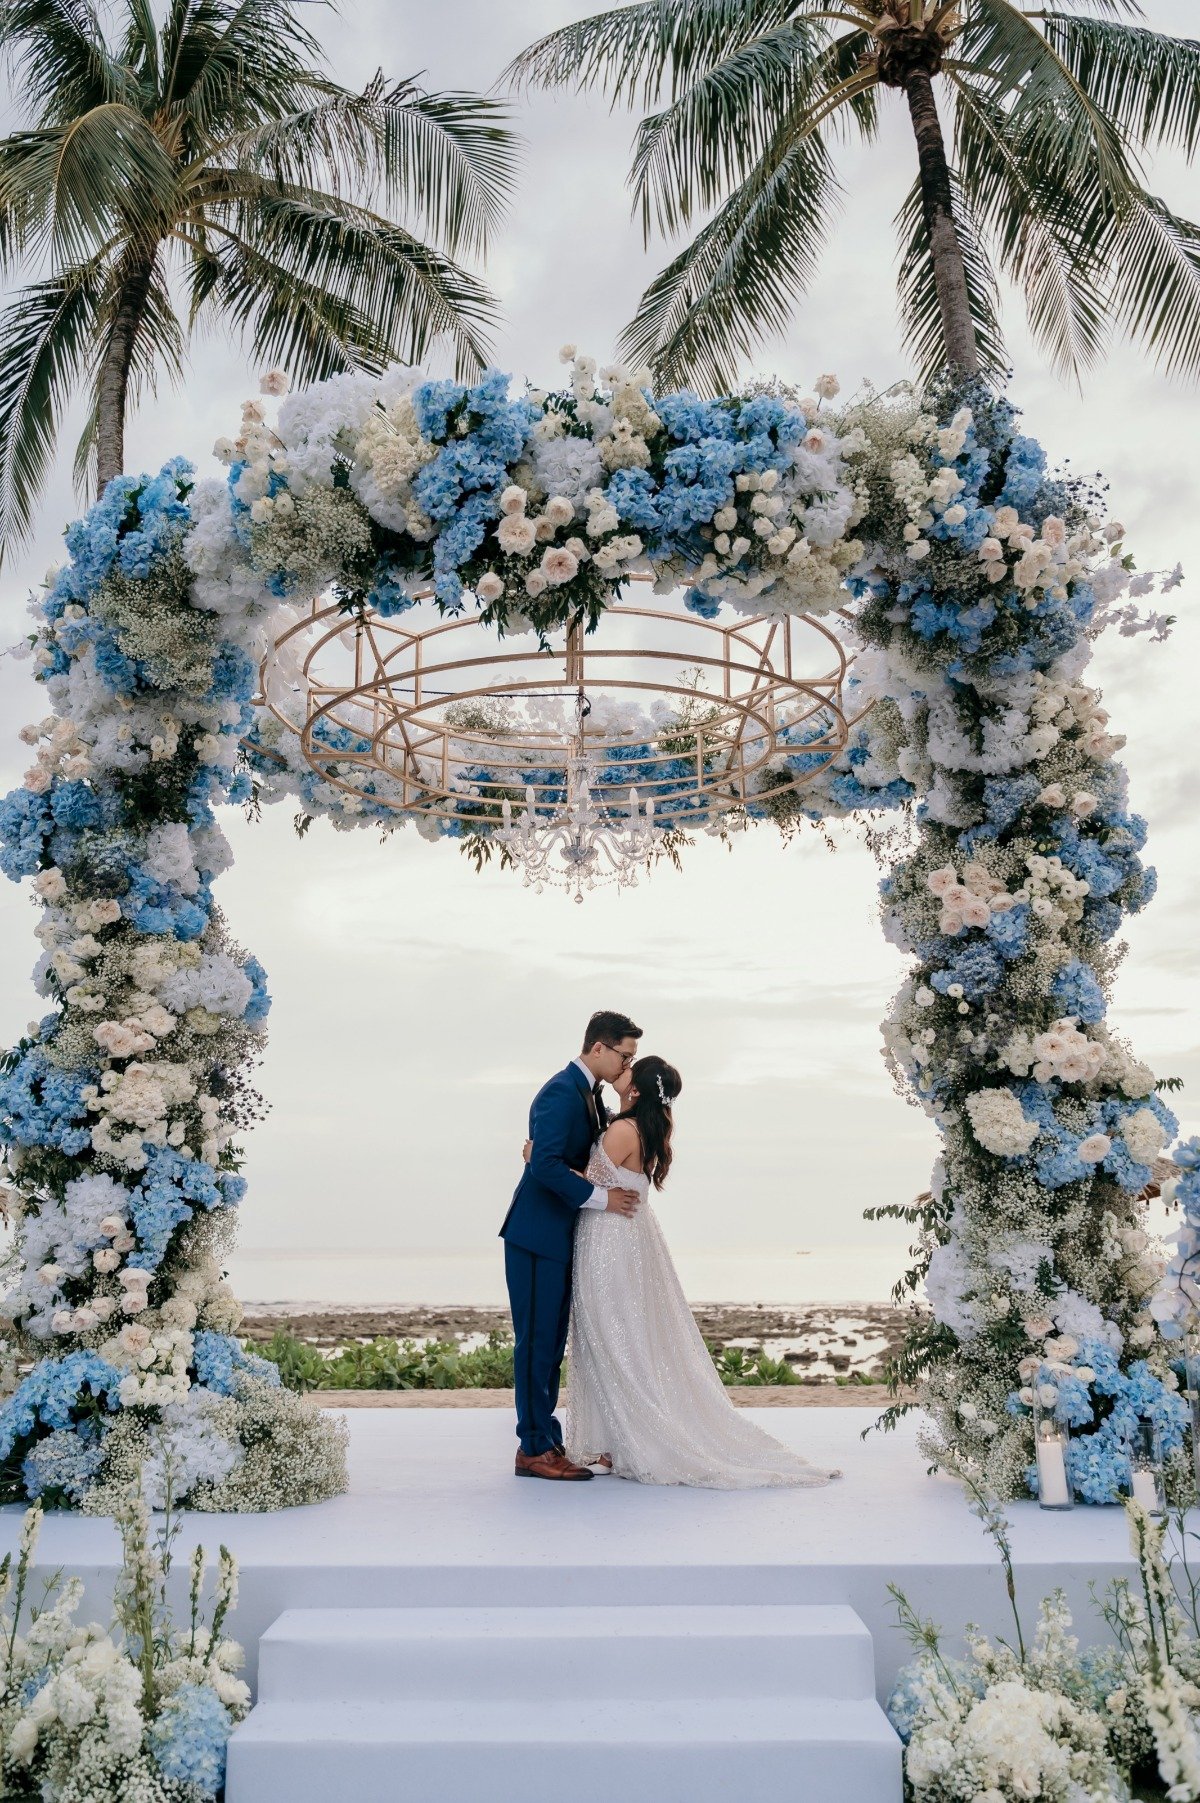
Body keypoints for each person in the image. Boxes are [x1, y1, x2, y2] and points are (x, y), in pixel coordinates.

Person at [566, 1054, 841, 1488]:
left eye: (629, 1070)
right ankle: (613, 1438)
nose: (622, 1070)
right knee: (626, 1334)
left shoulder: (623, 1129)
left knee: (612, 1335)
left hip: (611, 1240)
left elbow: (585, 1183)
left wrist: (535, 1157)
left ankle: (629, 1436)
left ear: (635, 1089)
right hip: (631, 1237)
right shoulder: (646, 1128)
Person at [500, 1010, 643, 1480]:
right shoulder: (562, 1091)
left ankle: (546, 1435)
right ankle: (533, 1449)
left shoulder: (591, 1095)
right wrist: (604, 1199)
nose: (627, 1066)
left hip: (559, 1236)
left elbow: (564, 1157)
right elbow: (543, 1164)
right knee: (536, 1344)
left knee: (551, 1344)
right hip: (536, 1235)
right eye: (624, 1056)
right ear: (598, 1048)